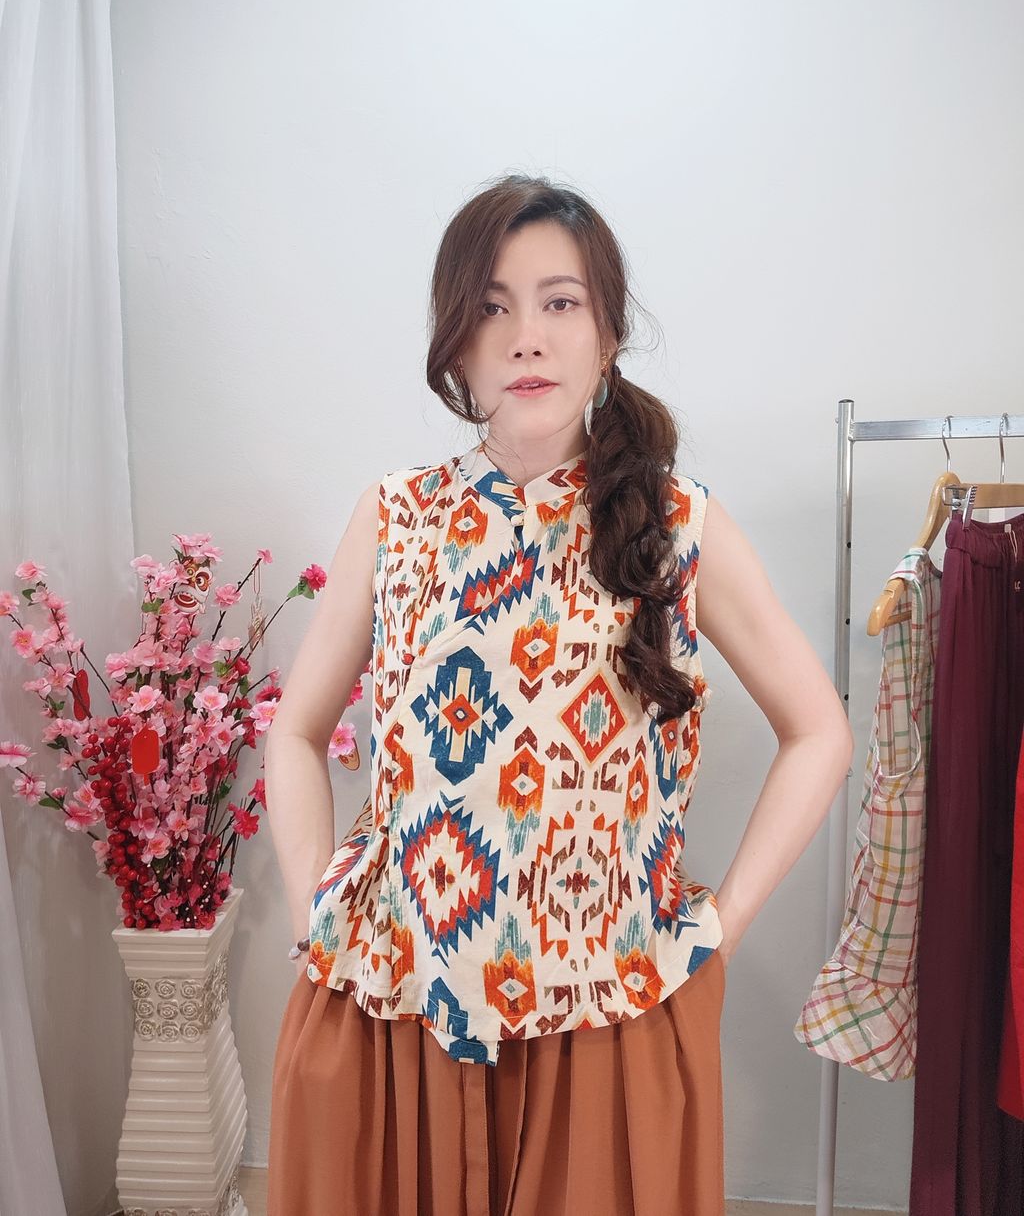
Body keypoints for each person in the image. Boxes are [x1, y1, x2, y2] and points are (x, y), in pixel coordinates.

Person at [263, 174, 854, 1216]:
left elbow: (819, 732)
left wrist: (718, 928)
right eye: (490, 306)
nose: (525, 337)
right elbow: (296, 733)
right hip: (396, 1003)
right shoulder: (394, 517)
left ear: (609, 333)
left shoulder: (678, 524)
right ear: (454, 342)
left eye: (559, 302)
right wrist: (316, 901)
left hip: (603, 1015)